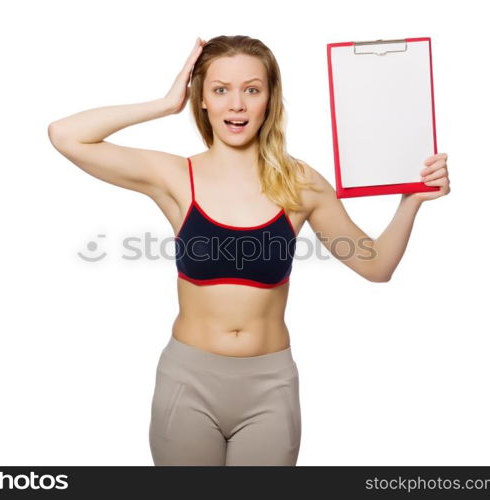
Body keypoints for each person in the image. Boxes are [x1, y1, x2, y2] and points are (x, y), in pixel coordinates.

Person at [47, 35, 450, 466]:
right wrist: (165, 104)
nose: (236, 104)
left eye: (251, 89)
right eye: (220, 90)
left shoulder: (301, 184)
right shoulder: (175, 176)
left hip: (269, 389)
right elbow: (66, 135)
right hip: (188, 383)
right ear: (200, 98)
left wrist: (412, 199)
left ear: (270, 99)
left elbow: (377, 265)